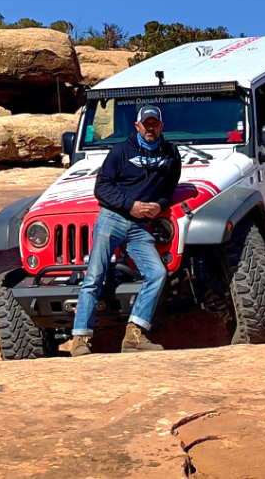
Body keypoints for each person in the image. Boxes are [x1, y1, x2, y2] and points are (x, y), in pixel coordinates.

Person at [67, 104, 182, 356]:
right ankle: (80, 339)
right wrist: (131, 205)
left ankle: (134, 334)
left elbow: (168, 189)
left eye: (154, 124)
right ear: (137, 126)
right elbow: (102, 189)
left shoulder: (171, 153)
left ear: (161, 126)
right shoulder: (120, 151)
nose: (150, 128)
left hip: (140, 227)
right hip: (112, 219)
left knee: (157, 273)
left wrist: (158, 206)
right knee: (94, 276)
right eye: (146, 123)